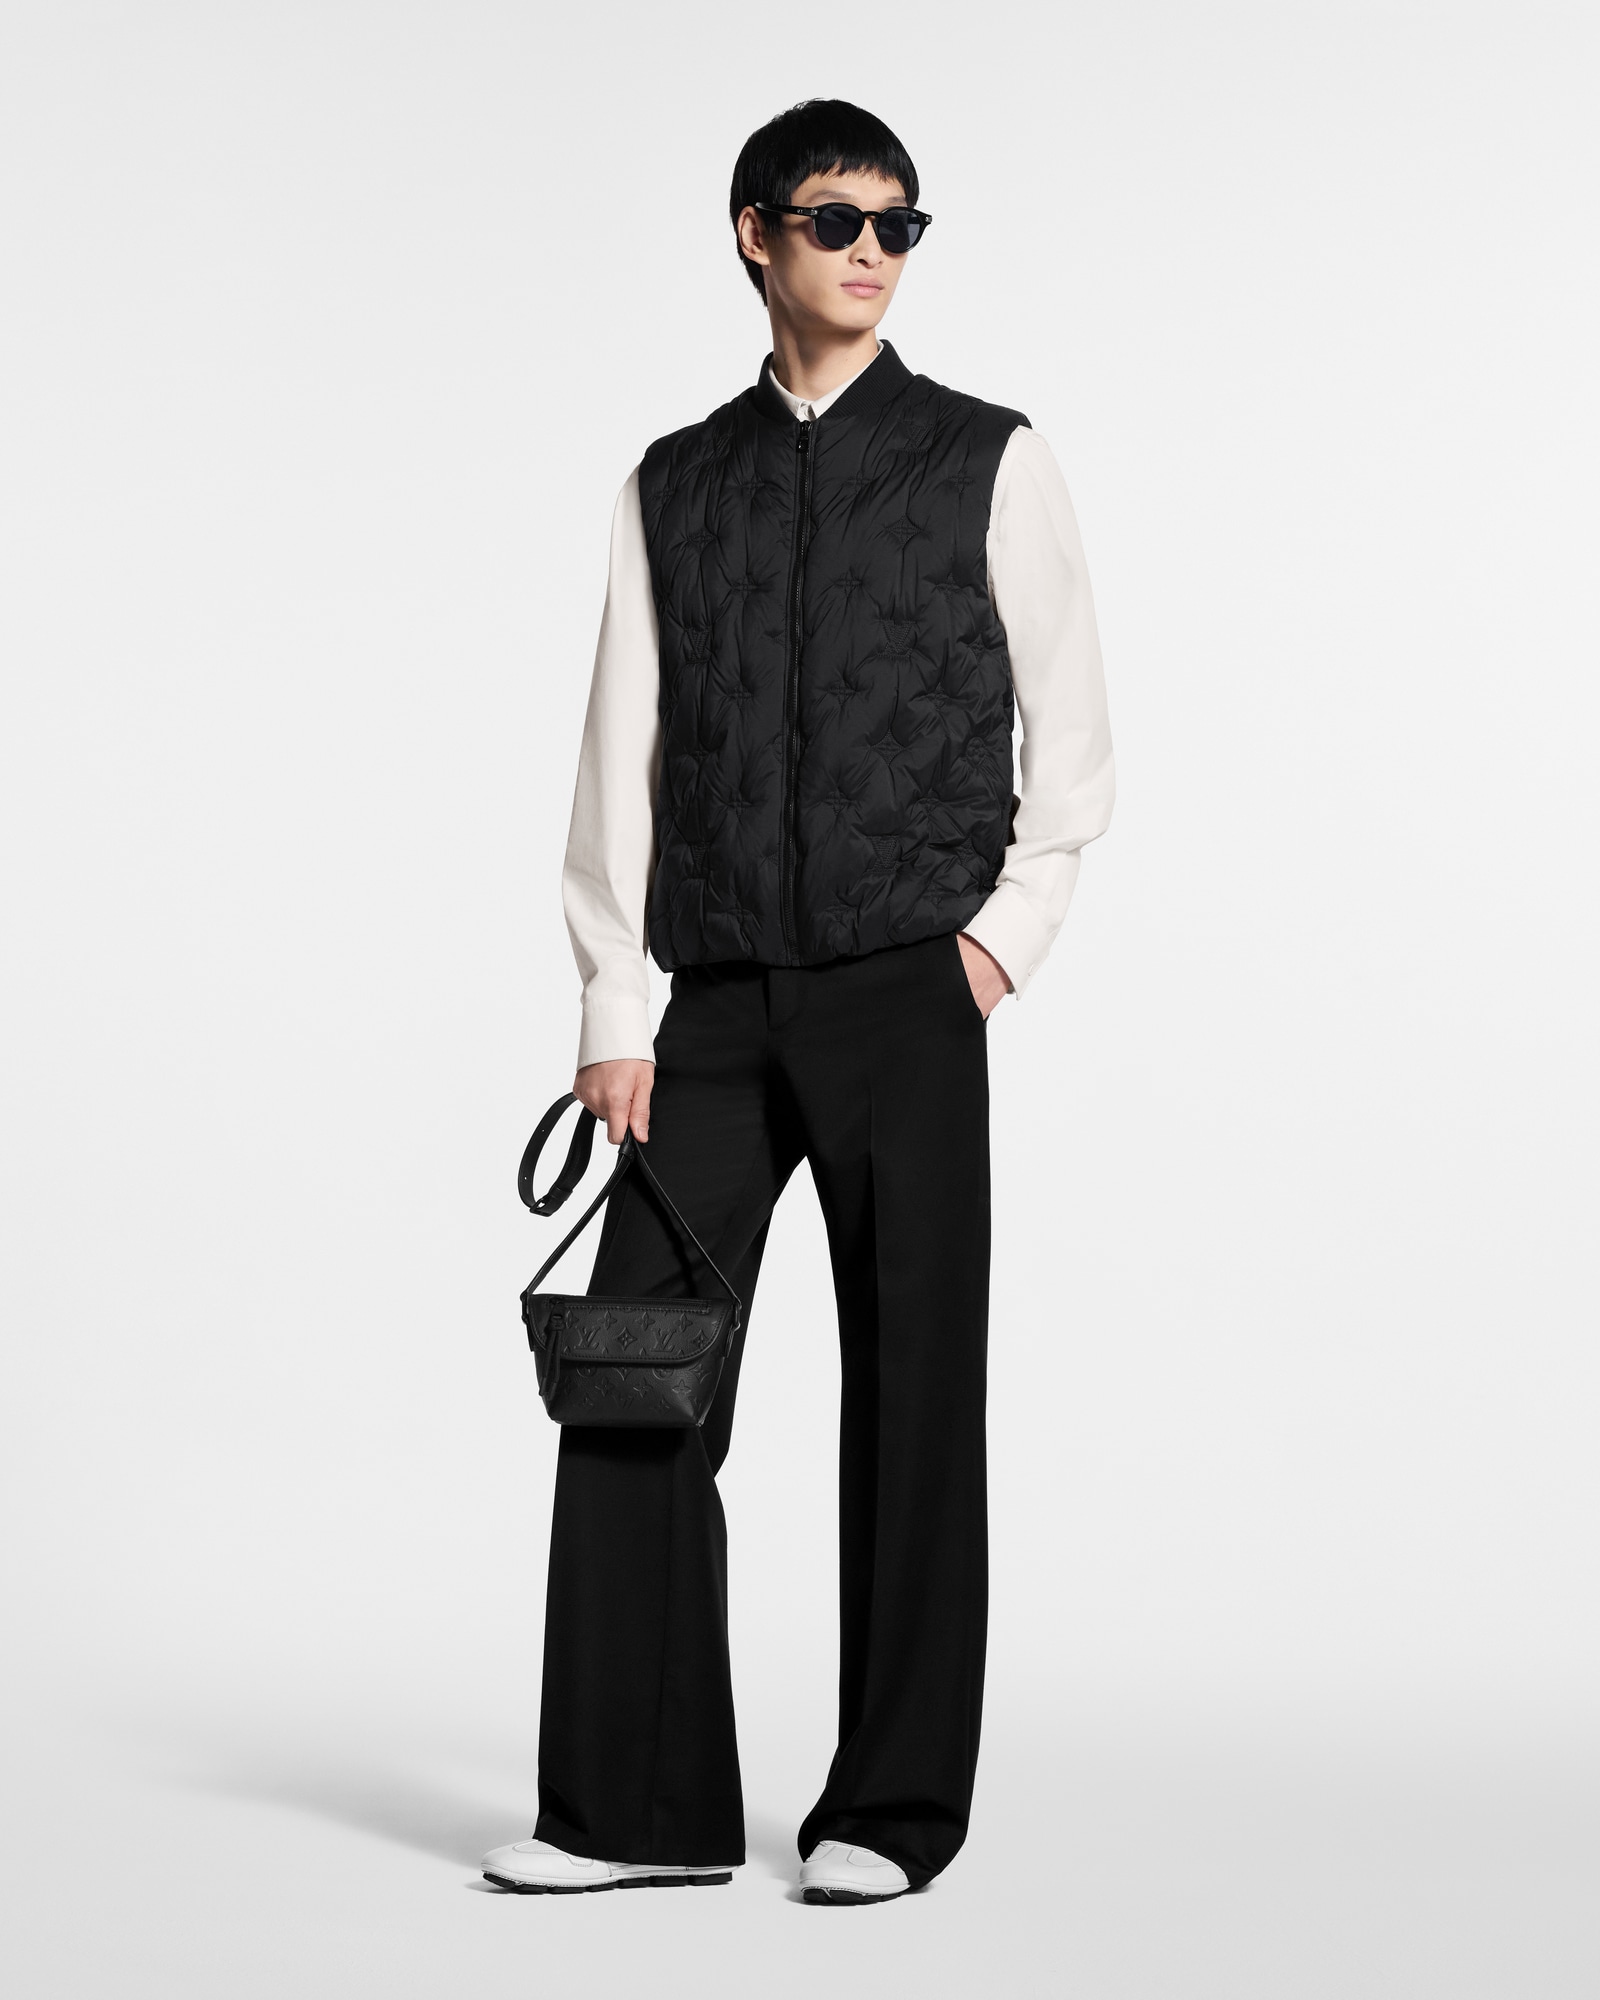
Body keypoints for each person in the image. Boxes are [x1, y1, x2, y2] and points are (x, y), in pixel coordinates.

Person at [482, 98, 1114, 1904]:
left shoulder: (990, 458)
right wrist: (616, 1004)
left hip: (909, 988)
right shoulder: (672, 484)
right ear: (755, 233)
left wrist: (995, 946)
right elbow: (619, 752)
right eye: (837, 219)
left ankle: (889, 1812)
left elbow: (1072, 744)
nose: (872, 252)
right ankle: (630, 1811)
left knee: (914, 1398)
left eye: (900, 224)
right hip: (711, 1009)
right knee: (635, 1385)